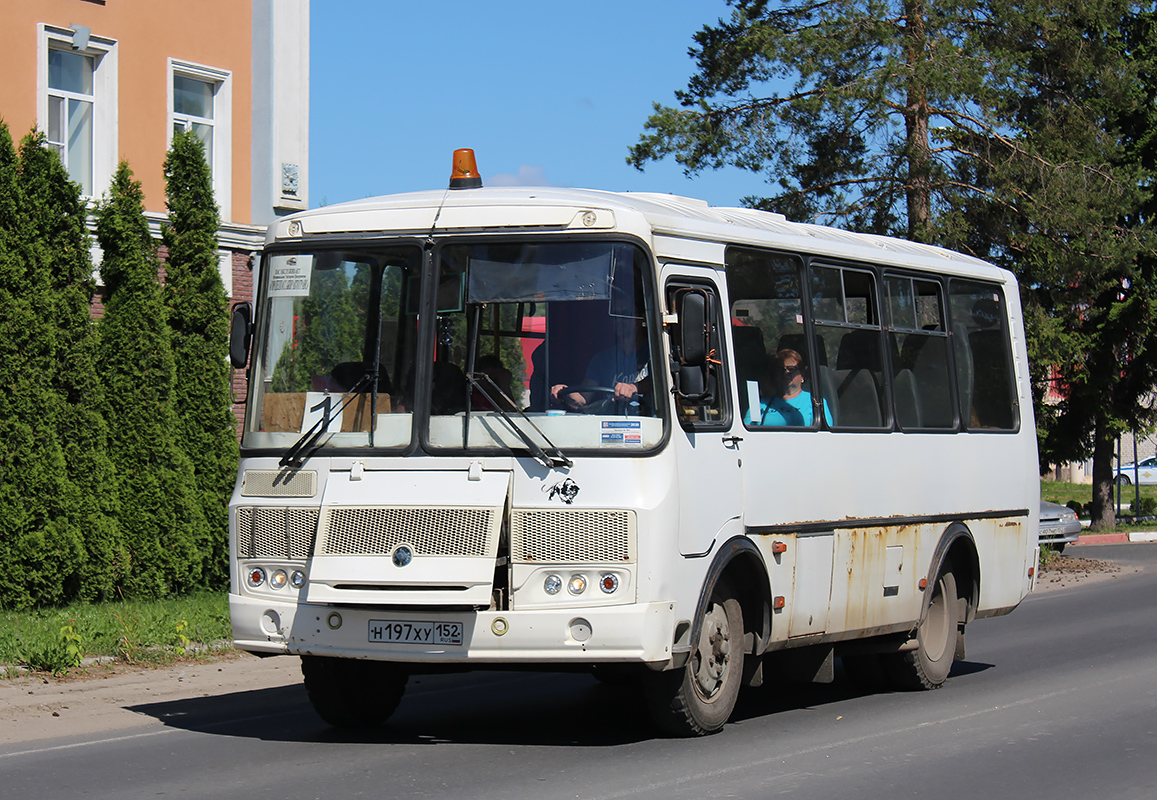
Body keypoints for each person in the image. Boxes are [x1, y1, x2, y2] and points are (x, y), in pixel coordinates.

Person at [551, 316, 651, 414]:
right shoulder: (603, 359)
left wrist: (633, 387)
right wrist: (566, 392)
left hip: (646, 421)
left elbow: (661, 382)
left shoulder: (655, 354)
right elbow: (583, 398)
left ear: (641, 320)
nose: (620, 320)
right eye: (616, 315)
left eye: (626, 314)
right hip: (609, 423)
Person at [749, 348, 831, 427]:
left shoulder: (816, 402)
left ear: (802, 375)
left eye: (791, 369)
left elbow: (824, 435)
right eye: (780, 370)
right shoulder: (760, 404)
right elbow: (746, 431)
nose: (786, 372)